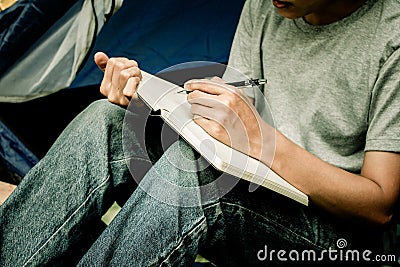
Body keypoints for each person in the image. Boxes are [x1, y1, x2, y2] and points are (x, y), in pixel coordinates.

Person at [1, 0, 399, 266]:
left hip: (337, 242)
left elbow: (379, 206)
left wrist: (262, 140)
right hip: (257, 185)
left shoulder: (391, 37)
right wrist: (148, 96)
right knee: (105, 121)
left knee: (192, 174)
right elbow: (239, 107)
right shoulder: (269, 7)